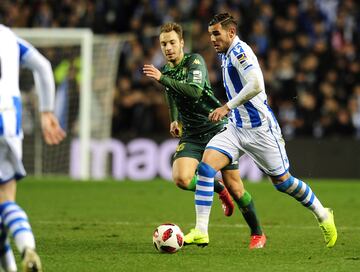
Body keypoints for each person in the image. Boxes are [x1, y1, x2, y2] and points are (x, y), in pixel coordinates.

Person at [184, 13, 337, 248]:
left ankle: (323, 214)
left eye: (216, 33)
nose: (212, 39)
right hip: (236, 128)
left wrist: (227, 106)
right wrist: (230, 110)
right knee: (205, 168)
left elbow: (256, 84)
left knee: (283, 183)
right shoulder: (225, 54)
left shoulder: (239, 52)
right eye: (210, 34)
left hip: (260, 130)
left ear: (231, 33)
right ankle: (201, 231)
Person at [143, 22, 266, 249]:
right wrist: (174, 118)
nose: (168, 48)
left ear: (181, 43)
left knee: (237, 189)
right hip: (191, 134)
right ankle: (217, 189)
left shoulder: (194, 61)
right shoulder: (168, 71)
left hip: (216, 129)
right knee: (181, 179)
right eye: (163, 44)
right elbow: (171, 95)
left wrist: (161, 78)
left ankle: (257, 232)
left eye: (172, 42)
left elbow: (194, 90)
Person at [0, 24, 66, 271]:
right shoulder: (7, 35)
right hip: (8, 118)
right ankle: (27, 248)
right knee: (5, 199)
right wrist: (46, 110)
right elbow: (43, 65)